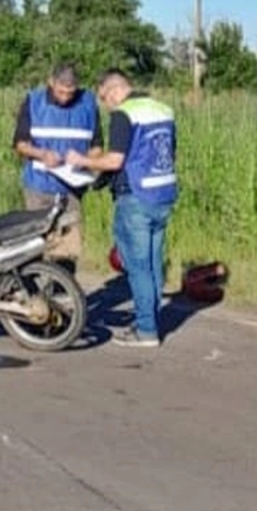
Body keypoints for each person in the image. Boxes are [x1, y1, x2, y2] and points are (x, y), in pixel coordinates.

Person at [64, 68, 178, 347]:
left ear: (113, 90)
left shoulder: (124, 114)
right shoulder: (163, 109)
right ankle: (149, 319)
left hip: (135, 196)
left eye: (104, 98)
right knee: (152, 262)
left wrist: (83, 160)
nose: (105, 104)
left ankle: (146, 330)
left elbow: (115, 161)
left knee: (136, 266)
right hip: (163, 194)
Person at [12, 62, 103, 273]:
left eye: (70, 92)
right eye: (61, 92)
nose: (65, 97)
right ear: (51, 82)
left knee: (67, 248)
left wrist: (86, 160)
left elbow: (97, 145)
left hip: (72, 189)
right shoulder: (33, 101)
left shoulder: (88, 103)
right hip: (38, 186)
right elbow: (20, 144)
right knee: (35, 246)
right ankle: (35, 295)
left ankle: (63, 296)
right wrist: (43, 154)